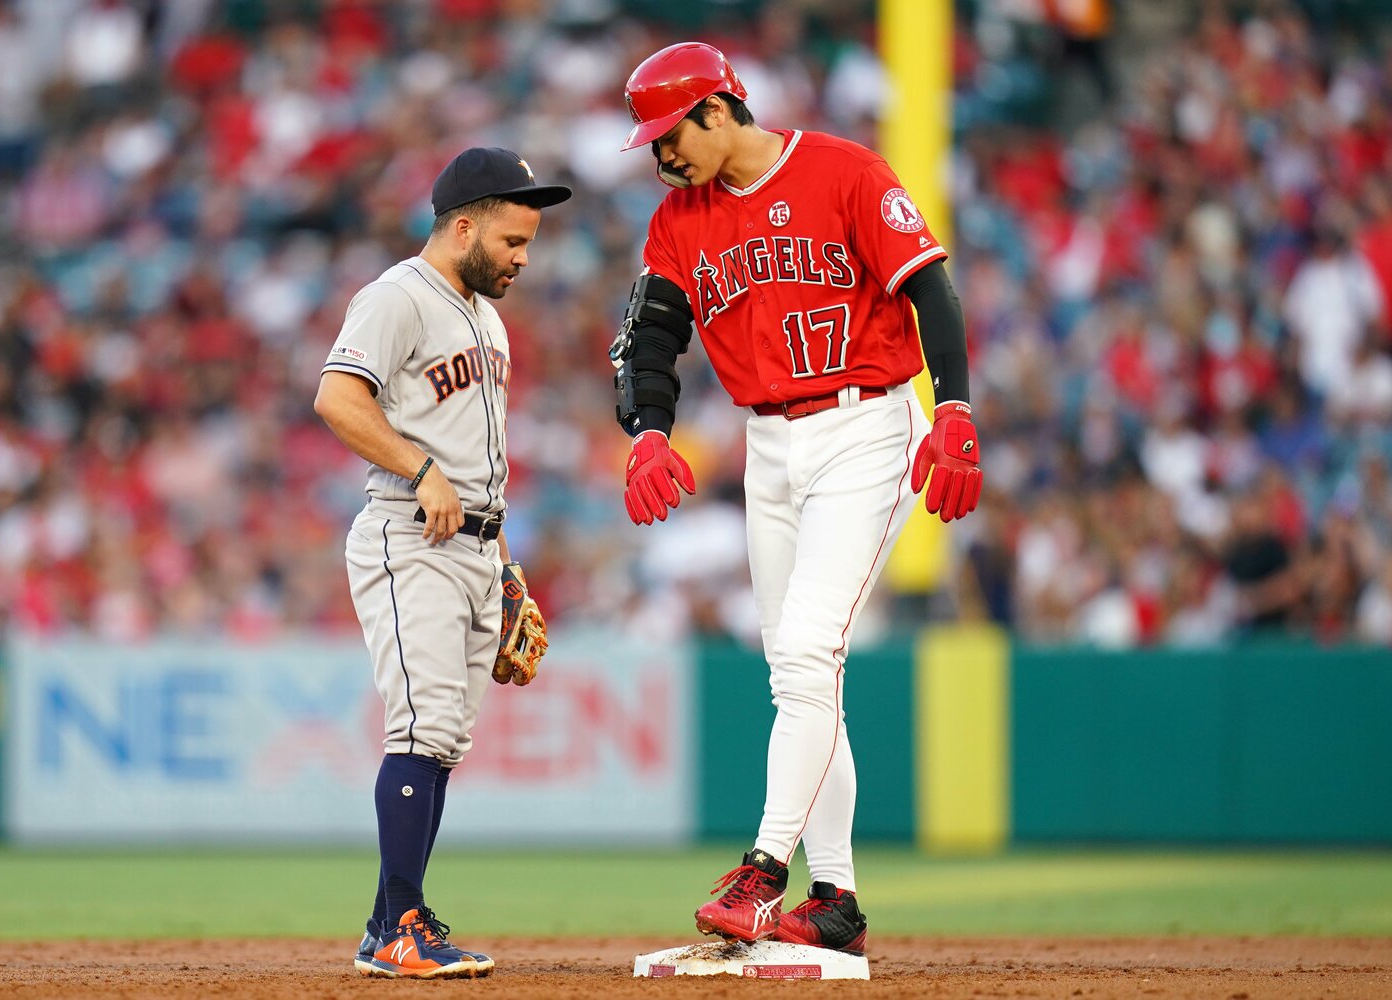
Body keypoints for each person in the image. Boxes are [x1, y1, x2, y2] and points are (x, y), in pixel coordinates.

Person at [611, 43, 982, 953]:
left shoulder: (844, 170)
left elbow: (930, 285)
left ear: (718, 110)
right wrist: (649, 429)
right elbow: (649, 340)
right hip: (766, 445)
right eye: (651, 142)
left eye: (669, 135)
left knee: (810, 650)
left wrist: (957, 405)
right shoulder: (678, 221)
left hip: (865, 425)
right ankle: (840, 901)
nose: (660, 155)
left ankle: (764, 872)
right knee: (801, 672)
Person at [314, 147, 570, 978]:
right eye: (512, 240)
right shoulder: (397, 297)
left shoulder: (486, 318)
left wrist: (501, 559)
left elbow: (473, 453)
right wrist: (419, 471)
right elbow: (336, 397)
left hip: (473, 544)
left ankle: (388, 920)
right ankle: (400, 932)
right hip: (408, 536)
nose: (523, 257)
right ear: (463, 227)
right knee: (419, 728)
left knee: (445, 739)